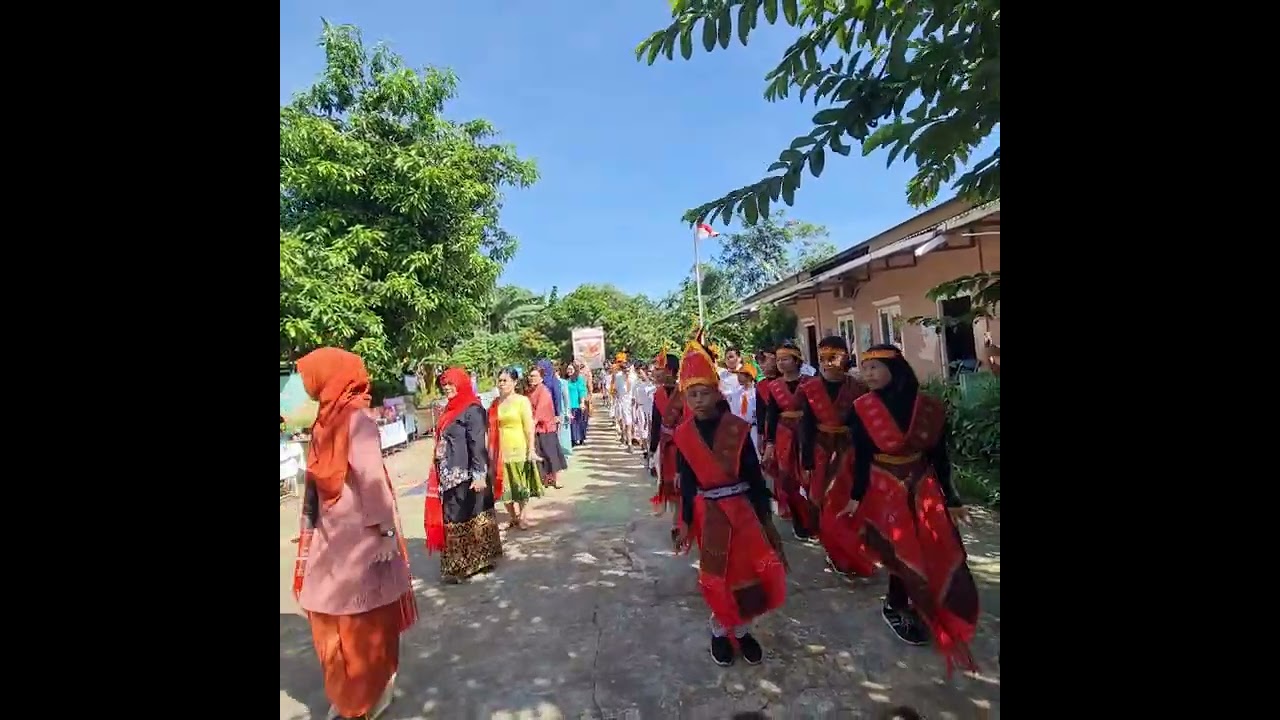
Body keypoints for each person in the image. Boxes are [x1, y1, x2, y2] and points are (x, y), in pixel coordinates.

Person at [292, 348, 417, 720]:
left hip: (362, 537)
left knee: (363, 621)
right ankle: (353, 695)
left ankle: (367, 694)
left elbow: (371, 477)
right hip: (334, 536)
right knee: (335, 617)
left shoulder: (352, 420)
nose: (305, 384)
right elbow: (315, 485)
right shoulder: (326, 421)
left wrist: (384, 533)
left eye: (310, 376)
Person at [840, 344, 979, 673]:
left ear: (896, 369)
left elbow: (938, 456)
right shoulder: (862, 408)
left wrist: (952, 498)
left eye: (875, 367)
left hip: (922, 484)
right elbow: (860, 456)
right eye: (865, 367)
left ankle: (932, 601)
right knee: (900, 548)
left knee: (934, 546)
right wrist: (856, 496)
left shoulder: (926, 407)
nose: (868, 374)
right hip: (884, 486)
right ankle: (896, 603)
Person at [672, 334, 787, 667]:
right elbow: (688, 482)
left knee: (746, 573)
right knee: (718, 575)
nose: (697, 400)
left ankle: (743, 629)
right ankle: (721, 631)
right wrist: (685, 522)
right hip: (708, 513)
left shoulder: (736, 429)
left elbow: (753, 477)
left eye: (703, 392)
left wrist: (765, 517)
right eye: (691, 394)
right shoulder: (683, 435)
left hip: (743, 510)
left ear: (715, 393)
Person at [796, 335, 875, 578]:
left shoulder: (858, 388)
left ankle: (856, 552)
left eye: (833, 358)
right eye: (822, 358)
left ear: (845, 358)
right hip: (821, 452)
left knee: (852, 503)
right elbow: (805, 426)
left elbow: (867, 423)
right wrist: (807, 460)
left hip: (850, 452)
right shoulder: (808, 389)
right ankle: (836, 553)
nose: (827, 364)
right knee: (825, 504)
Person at [425, 367, 503, 584]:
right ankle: (460, 564)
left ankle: (473, 563)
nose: (447, 388)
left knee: (470, 515)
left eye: (451, 384)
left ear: (461, 384)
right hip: (449, 474)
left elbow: (477, 443)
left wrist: (479, 475)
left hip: (468, 474)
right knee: (455, 516)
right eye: (444, 385)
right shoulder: (449, 410)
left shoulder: (473, 410)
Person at [761, 341, 816, 542]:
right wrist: (769, 443)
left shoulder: (811, 383)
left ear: (797, 360)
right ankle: (800, 523)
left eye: (786, 359)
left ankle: (815, 522)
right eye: (778, 360)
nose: (781, 363)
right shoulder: (774, 386)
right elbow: (772, 415)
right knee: (788, 480)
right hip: (784, 435)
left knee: (811, 479)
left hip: (808, 434)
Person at [491, 366, 544, 529]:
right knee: (504, 486)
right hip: (500, 450)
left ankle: (523, 516)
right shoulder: (495, 403)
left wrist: (531, 449)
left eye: (505, 381)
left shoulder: (522, 401)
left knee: (520, 484)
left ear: (514, 382)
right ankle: (512, 516)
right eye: (499, 381)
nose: (501, 384)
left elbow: (528, 426)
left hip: (518, 447)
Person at [647, 349, 685, 536]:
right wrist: (652, 449)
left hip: (684, 445)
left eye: (658, 368)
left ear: (670, 371)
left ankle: (681, 520)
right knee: (669, 483)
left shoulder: (685, 392)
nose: (655, 371)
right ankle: (677, 519)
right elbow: (655, 423)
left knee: (683, 483)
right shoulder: (657, 394)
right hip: (666, 446)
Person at [528, 361, 568, 489]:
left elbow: (541, 409)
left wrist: (533, 421)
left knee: (551, 454)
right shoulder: (530, 391)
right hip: (536, 428)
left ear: (541, 377)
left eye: (534, 376)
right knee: (541, 454)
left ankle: (557, 479)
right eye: (530, 376)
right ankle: (546, 478)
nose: (532, 379)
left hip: (546, 427)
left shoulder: (543, 391)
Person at [729, 359, 760, 452]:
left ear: (749, 377)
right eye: (737, 374)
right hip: (739, 429)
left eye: (741, 374)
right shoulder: (736, 393)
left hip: (754, 428)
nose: (738, 376)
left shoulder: (757, 393)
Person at [610, 354, 635, 449]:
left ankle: (630, 442)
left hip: (631, 402)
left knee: (630, 423)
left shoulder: (634, 378)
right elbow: (615, 389)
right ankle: (625, 439)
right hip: (621, 401)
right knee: (623, 421)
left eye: (628, 370)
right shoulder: (618, 377)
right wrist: (615, 395)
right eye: (625, 370)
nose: (627, 372)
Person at [565, 362, 589, 446]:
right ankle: (573, 440)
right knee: (572, 424)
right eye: (568, 369)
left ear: (575, 370)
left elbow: (582, 391)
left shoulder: (579, 379)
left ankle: (581, 438)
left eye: (571, 369)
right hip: (569, 405)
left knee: (579, 423)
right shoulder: (567, 381)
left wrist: (582, 403)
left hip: (577, 405)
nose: (569, 371)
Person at [555, 360, 574, 458]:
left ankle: (565, 451)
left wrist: (568, 412)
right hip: (554, 411)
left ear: (558, 372)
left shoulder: (563, 383)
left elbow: (566, 398)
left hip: (562, 410)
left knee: (564, 432)